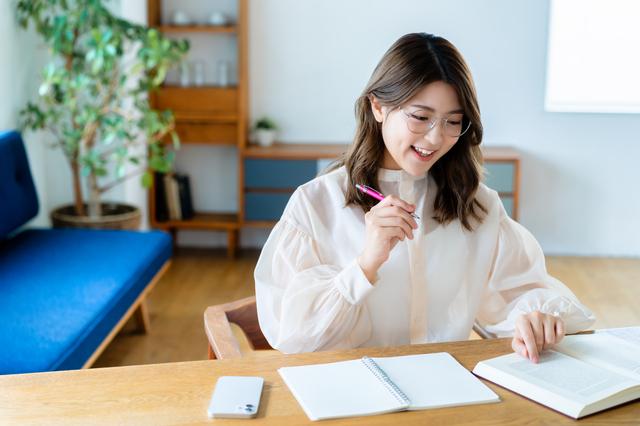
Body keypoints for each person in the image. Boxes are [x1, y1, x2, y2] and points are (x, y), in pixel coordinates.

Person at [254, 33, 595, 364]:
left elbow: (517, 295)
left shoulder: (476, 205)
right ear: (378, 107)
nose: (435, 137)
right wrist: (366, 263)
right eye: (420, 117)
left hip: (448, 392)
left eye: (453, 121)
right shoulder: (316, 204)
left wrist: (535, 320)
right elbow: (294, 336)